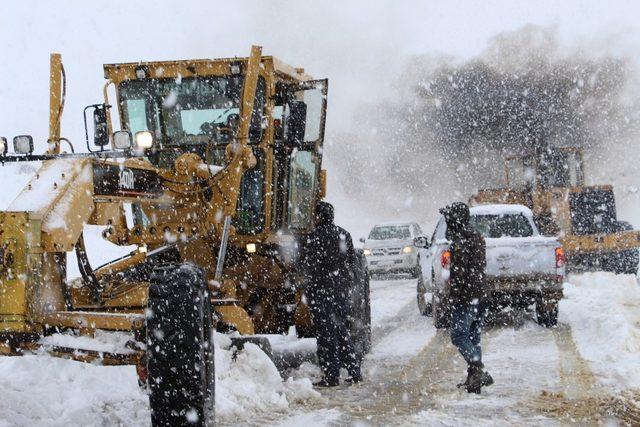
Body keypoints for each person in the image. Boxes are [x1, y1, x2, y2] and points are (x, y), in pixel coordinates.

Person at [300, 201, 363, 387]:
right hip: (340, 291)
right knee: (341, 331)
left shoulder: (314, 237)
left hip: (321, 291)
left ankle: (331, 376)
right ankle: (354, 370)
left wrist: (309, 287)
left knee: (326, 335)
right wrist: (343, 282)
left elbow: (309, 266)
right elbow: (352, 263)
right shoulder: (344, 234)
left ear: (319, 216)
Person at [441, 202, 494, 394]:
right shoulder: (476, 236)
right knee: (474, 336)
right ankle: (474, 380)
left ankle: (478, 369)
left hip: (467, 296)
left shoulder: (461, 241)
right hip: (480, 294)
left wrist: (453, 298)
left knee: (458, 335)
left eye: (448, 218)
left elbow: (460, 274)